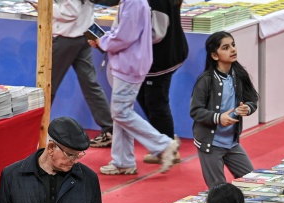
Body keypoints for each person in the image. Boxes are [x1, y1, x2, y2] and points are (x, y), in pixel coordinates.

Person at [88, 0, 179, 175]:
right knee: (121, 113)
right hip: (128, 63)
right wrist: (103, 40)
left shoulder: (134, 2)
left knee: (121, 111)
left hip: (129, 64)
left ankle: (163, 144)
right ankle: (123, 160)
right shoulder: (132, 2)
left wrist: (103, 41)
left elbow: (124, 36)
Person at [190, 31, 259, 188]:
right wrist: (218, 118)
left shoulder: (239, 74)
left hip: (232, 142)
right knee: (218, 189)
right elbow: (195, 111)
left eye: (233, 45)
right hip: (211, 144)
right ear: (215, 55)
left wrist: (247, 108)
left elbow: (253, 99)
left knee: (252, 181)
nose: (233, 50)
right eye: (226, 47)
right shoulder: (206, 80)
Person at [43, 0, 114, 148]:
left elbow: (70, 12)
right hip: (83, 35)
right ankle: (109, 129)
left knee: (48, 85)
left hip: (65, 38)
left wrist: (46, 6)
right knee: (90, 84)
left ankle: (38, 129)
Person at [139, 0, 188, 165]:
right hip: (169, 53)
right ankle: (165, 136)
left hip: (161, 58)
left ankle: (167, 146)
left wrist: (130, 37)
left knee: (156, 101)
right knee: (144, 96)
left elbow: (157, 33)